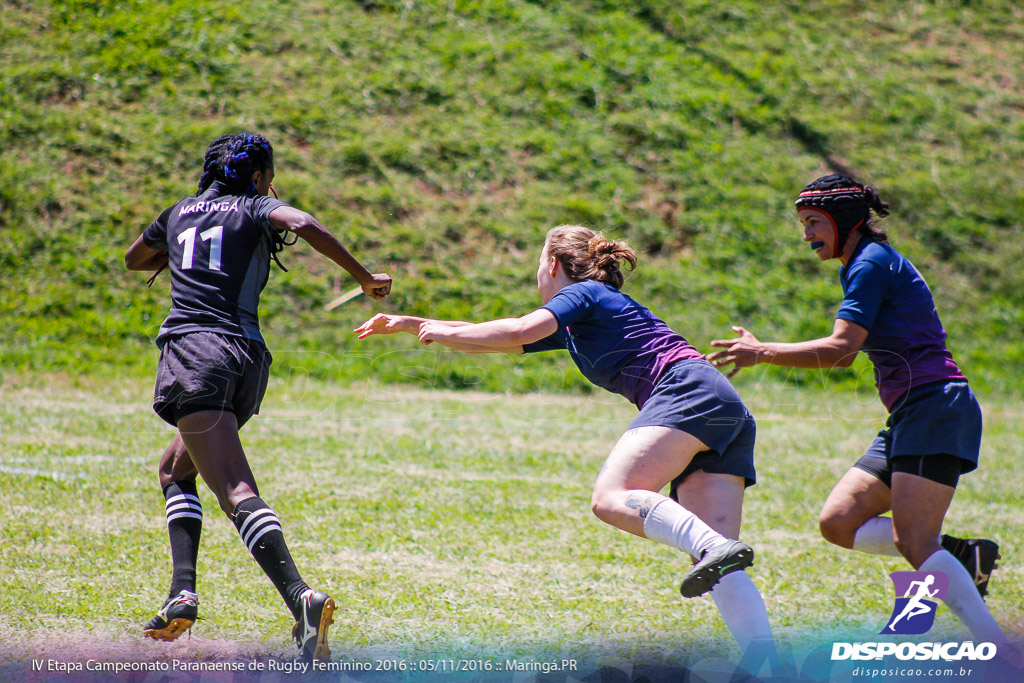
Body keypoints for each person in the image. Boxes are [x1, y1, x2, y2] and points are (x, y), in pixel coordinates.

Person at [355, 225, 777, 667]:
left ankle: (715, 550)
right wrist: (415, 325)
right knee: (716, 560)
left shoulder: (583, 295)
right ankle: (772, 668)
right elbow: (500, 336)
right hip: (723, 404)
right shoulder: (584, 315)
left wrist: (438, 333)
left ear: (553, 265)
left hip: (686, 391)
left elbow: (517, 329)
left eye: (538, 263)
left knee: (612, 498)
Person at [707, 173, 1006, 647]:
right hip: (913, 412)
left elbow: (842, 349)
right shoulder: (865, 262)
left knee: (914, 541)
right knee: (839, 521)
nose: (805, 235)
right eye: (803, 223)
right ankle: (961, 555)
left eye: (813, 223)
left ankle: (1000, 649)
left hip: (937, 406)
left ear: (842, 221)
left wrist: (763, 352)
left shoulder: (870, 263)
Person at [125, 132, 392, 662]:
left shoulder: (178, 212)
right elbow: (302, 222)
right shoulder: (256, 206)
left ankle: (302, 599)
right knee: (175, 469)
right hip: (246, 362)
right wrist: (365, 277)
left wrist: (180, 248)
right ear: (257, 176)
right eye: (270, 175)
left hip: (195, 354)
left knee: (233, 489)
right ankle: (182, 595)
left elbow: (135, 258)